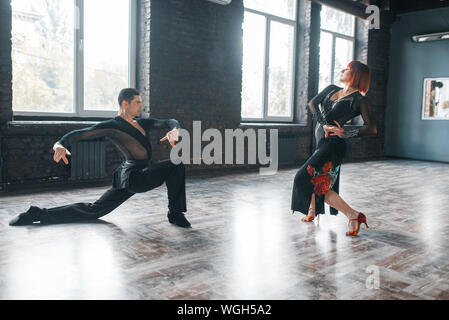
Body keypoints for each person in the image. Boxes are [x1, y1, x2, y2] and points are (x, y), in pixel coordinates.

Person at [9, 88, 191, 228]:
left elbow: (170, 121)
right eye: (137, 102)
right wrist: (60, 144)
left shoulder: (142, 123)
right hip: (134, 176)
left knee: (94, 210)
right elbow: (81, 133)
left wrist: (174, 130)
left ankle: (37, 214)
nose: (141, 107)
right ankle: (175, 213)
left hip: (134, 175)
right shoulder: (113, 125)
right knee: (176, 164)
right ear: (125, 104)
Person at [291, 61, 377, 236]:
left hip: (334, 145)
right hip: (321, 142)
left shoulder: (360, 100)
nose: (343, 70)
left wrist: (344, 132)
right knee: (316, 178)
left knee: (303, 177)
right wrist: (325, 125)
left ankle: (352, 214)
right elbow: (312, 104)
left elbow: (371, 128)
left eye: (347, 68)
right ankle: (318, 212)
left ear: (355, 74)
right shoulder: (332, 89)